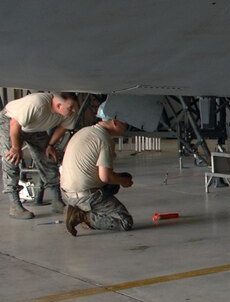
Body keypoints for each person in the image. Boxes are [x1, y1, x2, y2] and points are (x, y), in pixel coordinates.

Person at [1, 91, 79, 219]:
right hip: (11, 122)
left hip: (33, 127)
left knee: (48, 157)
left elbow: (64, 127)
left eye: (75, 107)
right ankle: (15, 205)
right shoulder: (37, 104)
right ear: (58, 106)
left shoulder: (69, 111)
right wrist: (16, 147)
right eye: (70, 108)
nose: (74, 110)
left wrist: (50, 146)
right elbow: (15, 124)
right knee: (12, 159)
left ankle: (57, 201)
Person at [61, 101, 134, 236]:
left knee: (114, 184)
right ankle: (83, 216)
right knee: (125, 222)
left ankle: (78, 207)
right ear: (115, 122)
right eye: (126, 123)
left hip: (66, 192)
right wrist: (123, 181)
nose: (127, 127)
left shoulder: (85, 131)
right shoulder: (104, 140)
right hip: (84, 195)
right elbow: (105, 177)